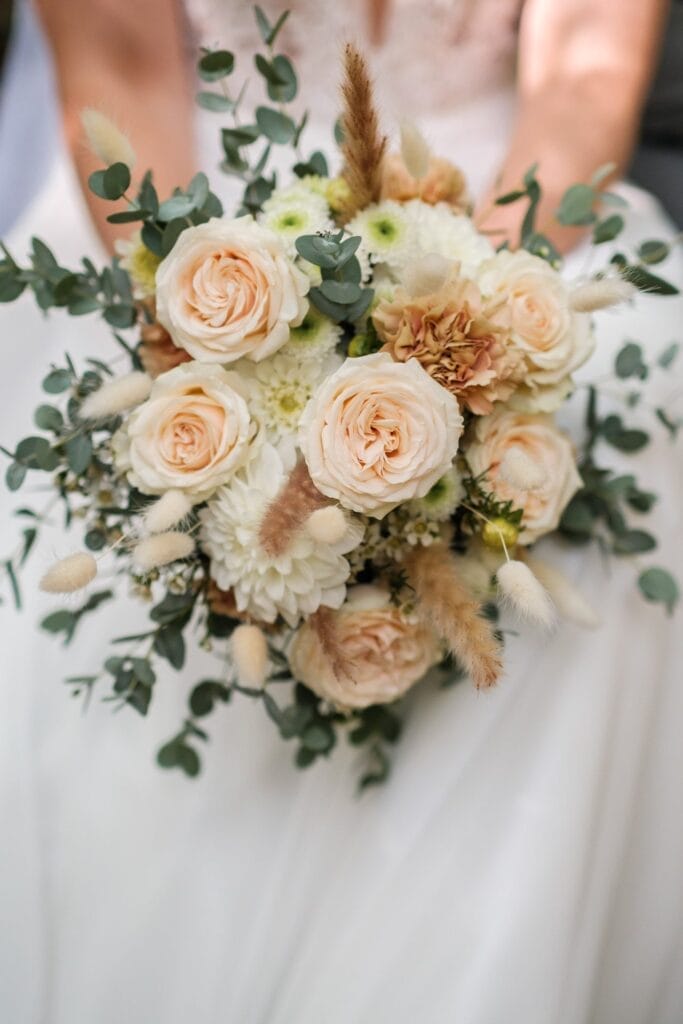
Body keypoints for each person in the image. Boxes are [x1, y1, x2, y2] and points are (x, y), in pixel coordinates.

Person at [0, 2, 682, 1021]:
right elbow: (120, 68)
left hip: (510, 210)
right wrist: (215, 337)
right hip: (198, 214)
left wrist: (454, 333)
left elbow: (575, 92)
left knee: (632, 414)